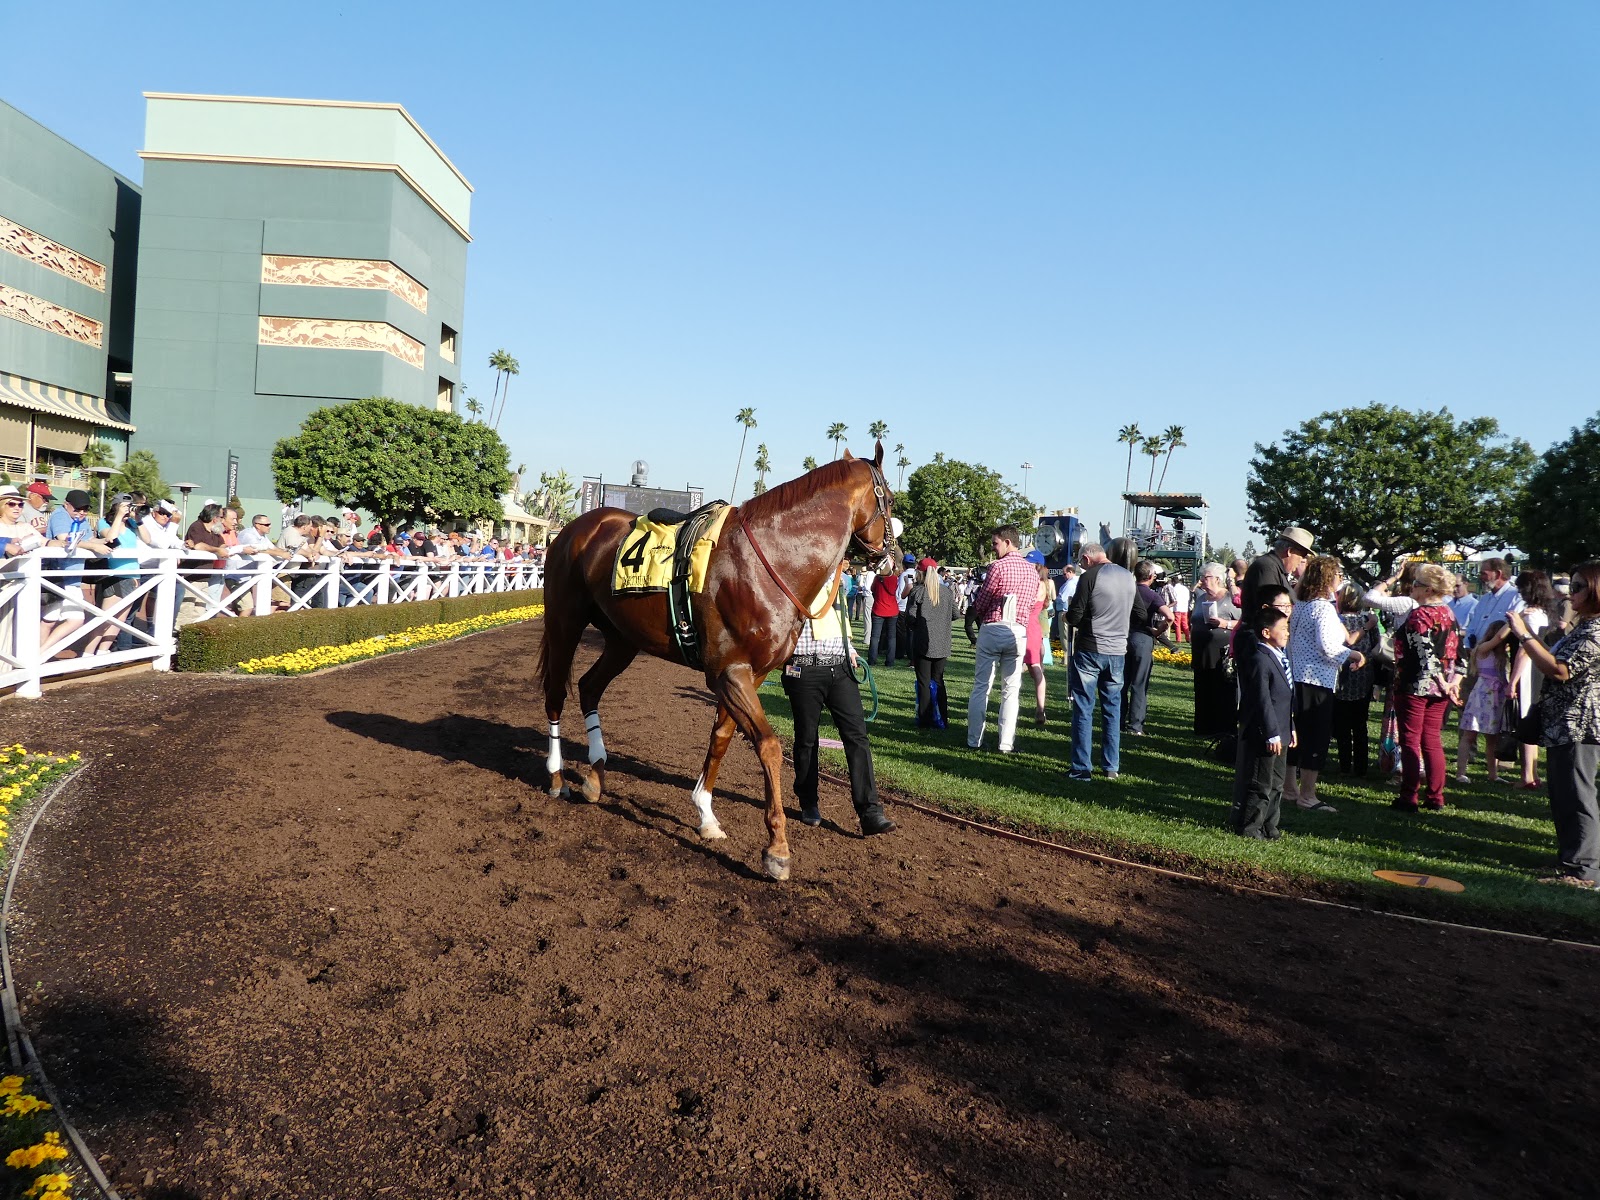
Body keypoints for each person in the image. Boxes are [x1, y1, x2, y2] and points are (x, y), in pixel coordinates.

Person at [781, 561, 895, 836]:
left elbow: (838, 616)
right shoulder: (792, 572)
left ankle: (870, 812)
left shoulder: (836, 577)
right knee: (806, 738)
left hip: (840, 667)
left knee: (857, 737)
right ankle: (809, 802)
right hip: (804, 668)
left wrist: (850, 648)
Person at [1507, 561, 1600, 887]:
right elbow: (1554, 660)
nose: (1570, 593)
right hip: (1562, 722)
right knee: (1562, 795)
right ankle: (1570, 860)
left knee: (1577, 795)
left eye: (1578, 587)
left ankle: (1584, 871)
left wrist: (1523, 634)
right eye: (1571, 586)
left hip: (1579, 724)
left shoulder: (1596, 631)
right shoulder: (1584, 626)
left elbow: (1560, 670)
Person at [1285, 555, 1366, 813]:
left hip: (1297, 677)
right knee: (1315, 737)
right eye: (1338, 575)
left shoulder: (1301, 605)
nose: (1340, 579)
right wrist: (1354, 655)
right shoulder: (1323, 608)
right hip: (1317, 679)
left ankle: (1289, 789)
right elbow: (1328, 646)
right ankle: (1307, 795)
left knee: (1296, 735)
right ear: (1328, 578)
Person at [1391, 564, 1463, 811]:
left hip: (1415, 685)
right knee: (1432, 740)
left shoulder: (1419, 616)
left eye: (1416, 584)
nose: (1412, 588)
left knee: (1410, 740)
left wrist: (1443, 682)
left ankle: (1409, 796)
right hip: (1441, 689)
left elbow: (1426, 656)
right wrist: (1452, 684)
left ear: (1428, 590)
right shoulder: (1448, 614)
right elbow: (1460, 655)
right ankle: (1435, 796)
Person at [1064, 540, 1136, 780]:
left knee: (1084, 708)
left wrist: (1066, 617)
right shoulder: (1128, 576)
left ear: (1087, 559)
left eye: (1081, 563)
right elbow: (1139, 612)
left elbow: (1075, 615)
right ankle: (1111, 766)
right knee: (1112, 709)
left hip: (1091, 648)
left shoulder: (1089, 577)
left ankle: (1081, 767)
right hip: (1117, 650)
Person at [963, 524, 1037, 754]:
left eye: (995, 543)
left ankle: (974, 740)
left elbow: (983, 600)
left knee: (981, 686)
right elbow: (1031, 604)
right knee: (1011, 690)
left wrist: (978, 614)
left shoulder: (997, 567)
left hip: (994, 627)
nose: (993, 548)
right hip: (1018, 631)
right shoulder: (1032, 571)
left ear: (1007, 542)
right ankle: (1006, 743)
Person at [1232, 605, 1296, 839]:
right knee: (1261, 782)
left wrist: (1290, 727)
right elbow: (1262, 700)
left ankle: (1270, 825)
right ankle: (1250, 827)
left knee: (1277, 783)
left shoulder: (1280, 657)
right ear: (1266, 632)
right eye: (1283, 628)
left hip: (1282, 730)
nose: (1287, 632)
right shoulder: (1260, 659)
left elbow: (1285, 698)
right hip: (1266, 733)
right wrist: (1271, 733)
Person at [1507, 571, 1561, 790]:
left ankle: (1527, 775)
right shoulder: (1545, 612)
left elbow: (1524, 651)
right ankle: (1532, 773)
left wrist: (1513, 680)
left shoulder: (1529, 615)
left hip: (1528, 672)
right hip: (1539, 670)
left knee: (1525, 721)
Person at [1333, 583, 1380, 777]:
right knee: (1360, 724)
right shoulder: (1369, 621)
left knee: (1342, 725)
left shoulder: (1336, 620)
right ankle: (1361, 767)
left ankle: (1345, 765)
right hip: (1364, 676)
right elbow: (1377, 647)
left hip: (1341, 676)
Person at [1121, 560, 1172, 737]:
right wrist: (1158, 630)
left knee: (1121, 682)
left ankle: (1117, 720)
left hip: (1122, 637)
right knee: (1139, 683)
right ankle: (1135, 725)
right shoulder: (1152, 595)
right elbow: (1169, 616)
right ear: (1151, 576)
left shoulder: (1126, 591)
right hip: (1142, 638)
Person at [1191, 563, 1241, 738]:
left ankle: (1223, 729)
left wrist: (1224, 623)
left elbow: (1243, 622)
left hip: (1222, 653)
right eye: (1202, 577)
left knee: (1222, 690)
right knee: (1203, 689)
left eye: (1206, 577)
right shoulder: (1200, 598)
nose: (1202, 581)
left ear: (1218, 579)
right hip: (1201, 652)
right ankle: (1204, 727)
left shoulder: (1229, 599)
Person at [906, 557, 954, 729]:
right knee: (939, 680)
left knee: (924, 682)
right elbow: (956, 614)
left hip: (922, 642)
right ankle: (942, 718)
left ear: (921, 573)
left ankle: (925, 720)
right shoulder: (946, 592)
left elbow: (910, 617)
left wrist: (915, 625)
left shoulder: (917, 592)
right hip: (942, 643)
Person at [1240, 527, 1314, 619]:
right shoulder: (1267, 567)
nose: (1302, 560)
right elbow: (1271, 612)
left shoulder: (1275, 568)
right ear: (1290, 551)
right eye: (1303, 555)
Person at [1022, 555, 1055, 728]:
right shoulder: (1044, 584)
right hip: (1033, 628)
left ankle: (1040, 709)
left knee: (1032, 668)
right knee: (1036, 668)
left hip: (1027, 627)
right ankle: (1040, 709)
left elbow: (1026, 604)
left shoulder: (1036, 584)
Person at [868, 562, 901, 667]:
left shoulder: (877, 579)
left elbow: (872, 589)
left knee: (875, 637)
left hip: (878, 609)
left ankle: (872, 660)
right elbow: (895, 591)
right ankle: (890, 661)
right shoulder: (894, 578)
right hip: (892, 610)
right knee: (892, 637)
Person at [1169, 572, 1191, 644]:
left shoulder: (1173, 589)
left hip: (1177, 608)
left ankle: (1178, 639)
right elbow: (1188, 598)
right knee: (1185, 624)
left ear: (1173, 582)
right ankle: (1188, 638)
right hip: (1184, 608)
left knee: (1177, 624)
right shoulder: (1185, 588)